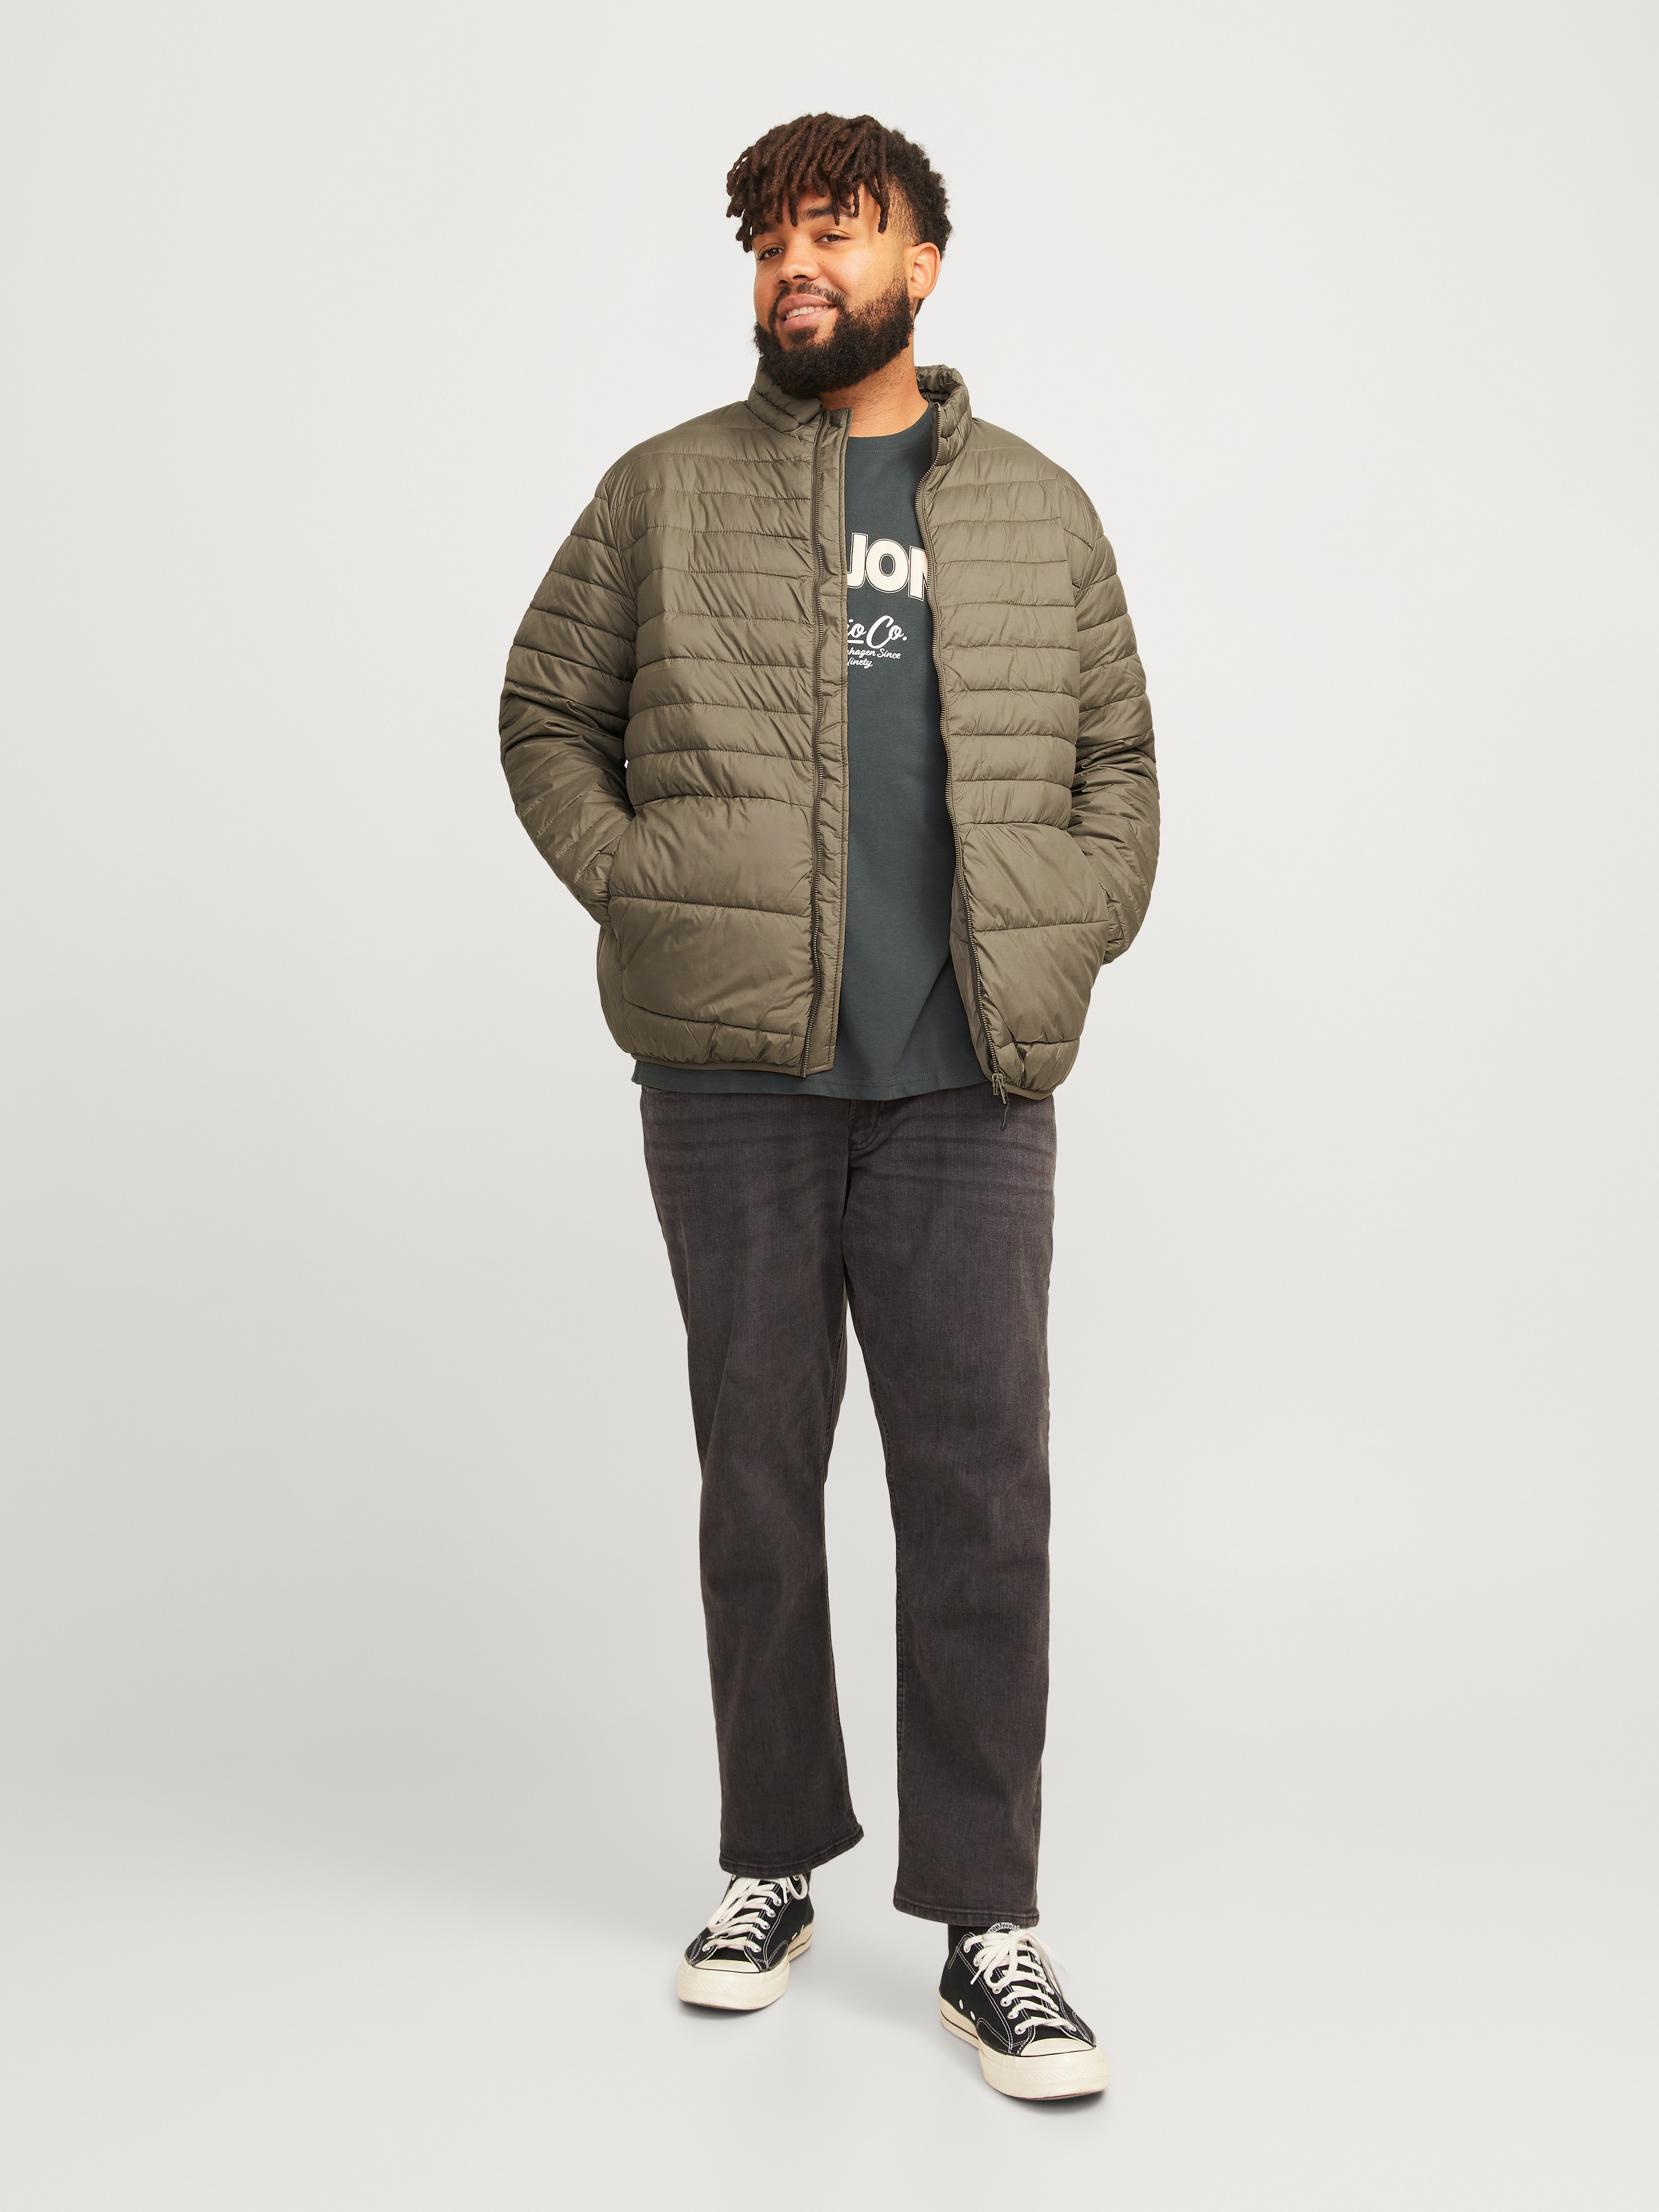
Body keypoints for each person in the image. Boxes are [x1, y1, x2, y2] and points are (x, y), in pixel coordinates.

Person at [499, 112, 1158, 2101]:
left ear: (920, 265)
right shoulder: (663, 492)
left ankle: (988, 1925)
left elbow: (1118, 769)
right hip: (735, 1078)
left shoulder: (1035, 509)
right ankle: (768, 1862)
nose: (798, 265)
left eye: (839, 234)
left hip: (967, 1080)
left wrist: (1063, 934)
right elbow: (546, 712)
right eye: (772, 238)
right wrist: (644, 886)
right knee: (757, 1481)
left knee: (981, 1497)